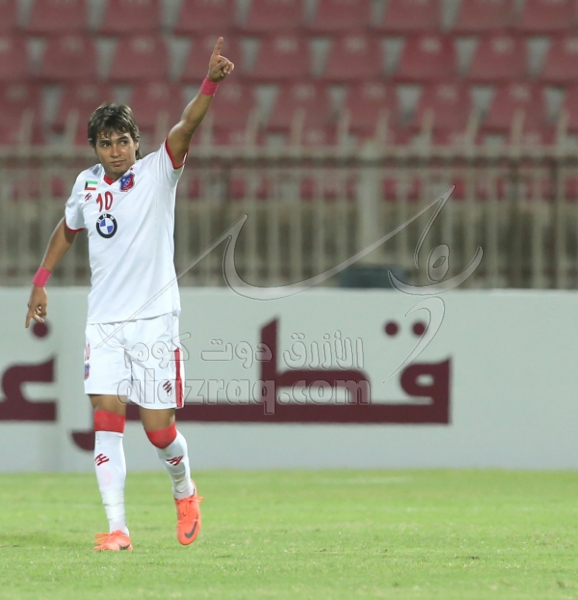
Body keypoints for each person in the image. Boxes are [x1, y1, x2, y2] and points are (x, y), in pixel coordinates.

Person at [24, 38, 234, 551]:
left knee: (159, 431)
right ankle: (117, 528)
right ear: (94, 148)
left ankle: (184, 490)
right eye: (105, 143)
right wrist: (40, 280)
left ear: (137, 143)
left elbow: (186, 126)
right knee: (106, 420)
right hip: (105, 322)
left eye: (123, 141)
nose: (115, 150)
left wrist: (209, 84)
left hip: (155, 318)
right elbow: (67, 230)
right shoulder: (86, 185)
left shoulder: (159, 172)